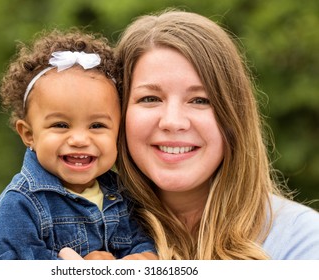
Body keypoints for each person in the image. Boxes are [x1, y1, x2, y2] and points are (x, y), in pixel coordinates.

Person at [112, 9, 319, 260]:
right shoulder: (68, 231)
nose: (173, 122)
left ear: (233, 115)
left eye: (200, 100)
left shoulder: (302, 240)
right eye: (150, 98)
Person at [0, 28, 156, 260]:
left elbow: (141, 241)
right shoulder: (20, 204)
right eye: (61, 125)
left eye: (97, 126)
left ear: (119, 131)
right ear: (29, 134)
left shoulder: (123, 193)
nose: (80, 140)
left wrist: (142, 258)